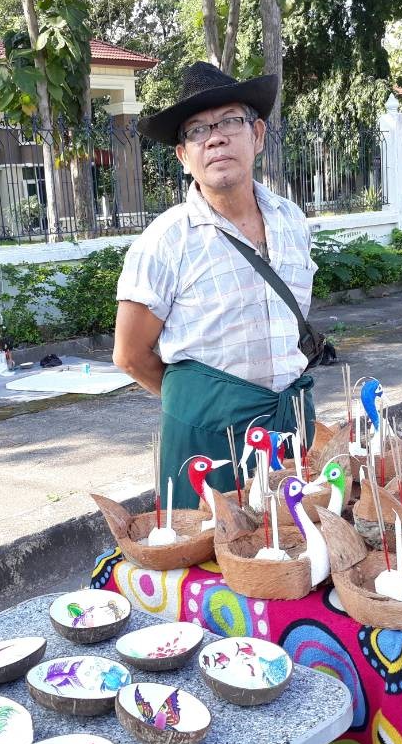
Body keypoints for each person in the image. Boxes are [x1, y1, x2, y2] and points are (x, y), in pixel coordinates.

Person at [113, 61, 317, 510]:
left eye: (229, 121)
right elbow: (130, 355)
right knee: (209, 565)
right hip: (207, 444)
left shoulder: (291, 221)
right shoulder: (165, 241)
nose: (216, 137)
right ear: (184, 157)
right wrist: (205, 403)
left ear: (257, 135)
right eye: (197, 130)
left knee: (297, 553)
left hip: (290, 426)